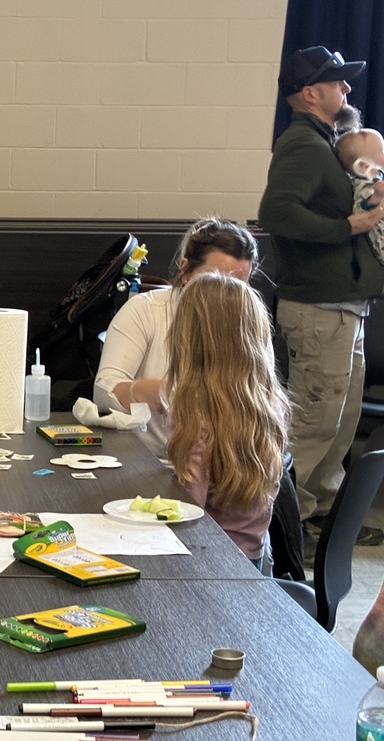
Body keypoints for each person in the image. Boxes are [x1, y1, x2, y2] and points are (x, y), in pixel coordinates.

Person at [258, 45, 384, 547]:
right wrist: (349, 225)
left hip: (342, 309)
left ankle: (321, 517)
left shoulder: (324, 142)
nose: (347, 88)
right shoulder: (304, 146)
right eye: (337, 81)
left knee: (342, 419)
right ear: (311, 93)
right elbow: (277, 212)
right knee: (314, 423)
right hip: (318, 311)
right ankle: (287, 527)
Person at [93, 218, 258, 458]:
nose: (224, 295)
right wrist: (147, 390)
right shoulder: (146, 311)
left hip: (221, 463)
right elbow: (103, 390)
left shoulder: (250, 321)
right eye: (213, 281)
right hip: (150, 459)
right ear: (185, 271)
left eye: (238, 286)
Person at [164, 274, 290, 569]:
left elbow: (187, 514)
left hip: (208, 563)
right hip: (255, 558)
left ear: (189, 339)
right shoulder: (272, 402)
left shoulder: (194, 410)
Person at [336, 126, 384, 265]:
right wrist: (376, 197)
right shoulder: (364, 186)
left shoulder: (377, 180)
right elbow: (360, 210)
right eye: (382, 151)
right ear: (364, 166)